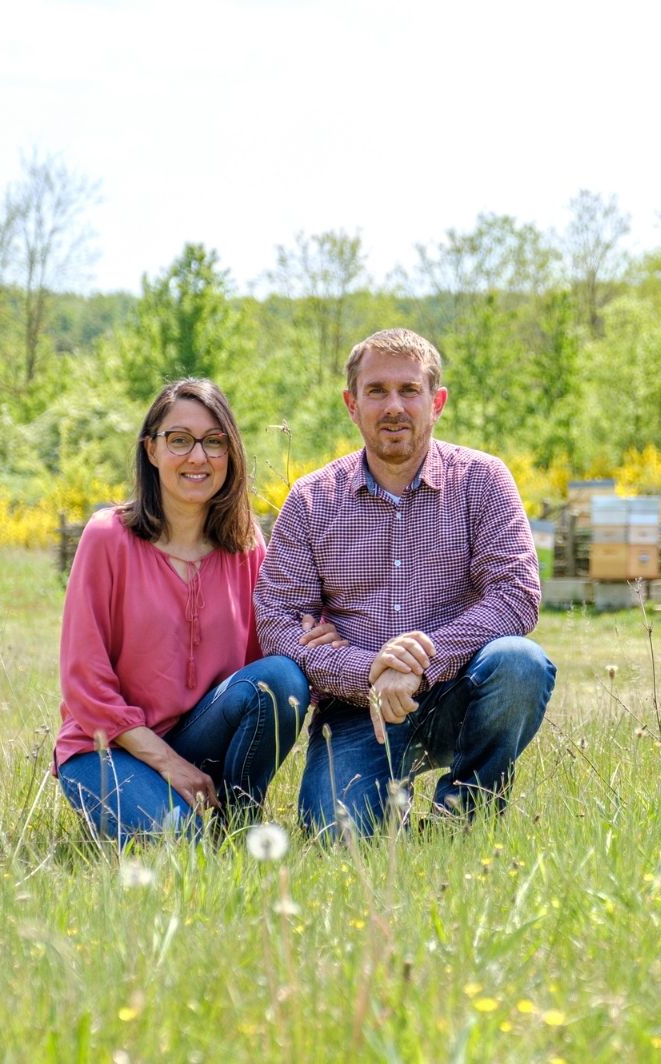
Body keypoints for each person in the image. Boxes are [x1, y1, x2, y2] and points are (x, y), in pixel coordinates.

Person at [256, 328, 553, 837]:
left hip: (460, 691)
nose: (393, 406)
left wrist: (419, 662)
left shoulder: (483, 480)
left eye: (409, 390)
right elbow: (278, 621)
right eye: (376, 391)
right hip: (357, 710)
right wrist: (367, 670)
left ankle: (462, 816)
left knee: (520, 663)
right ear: (352, 405)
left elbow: (516, 595)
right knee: (336, 836)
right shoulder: (311, 499)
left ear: (436, 402)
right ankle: (388, 811)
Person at [55, 378, 340, 842]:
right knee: (181, 842)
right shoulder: (108, 537)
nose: (198, 456)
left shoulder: (244, 546)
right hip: (107, 747)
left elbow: (269, 653)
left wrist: (316, 633)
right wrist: (168, 764)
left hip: (200, 736)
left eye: (213, 441)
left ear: (230, 453)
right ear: (151, 450)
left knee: (282, 678)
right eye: (179, 440)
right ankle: (177, 814)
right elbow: (84, 682)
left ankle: (239, 822)